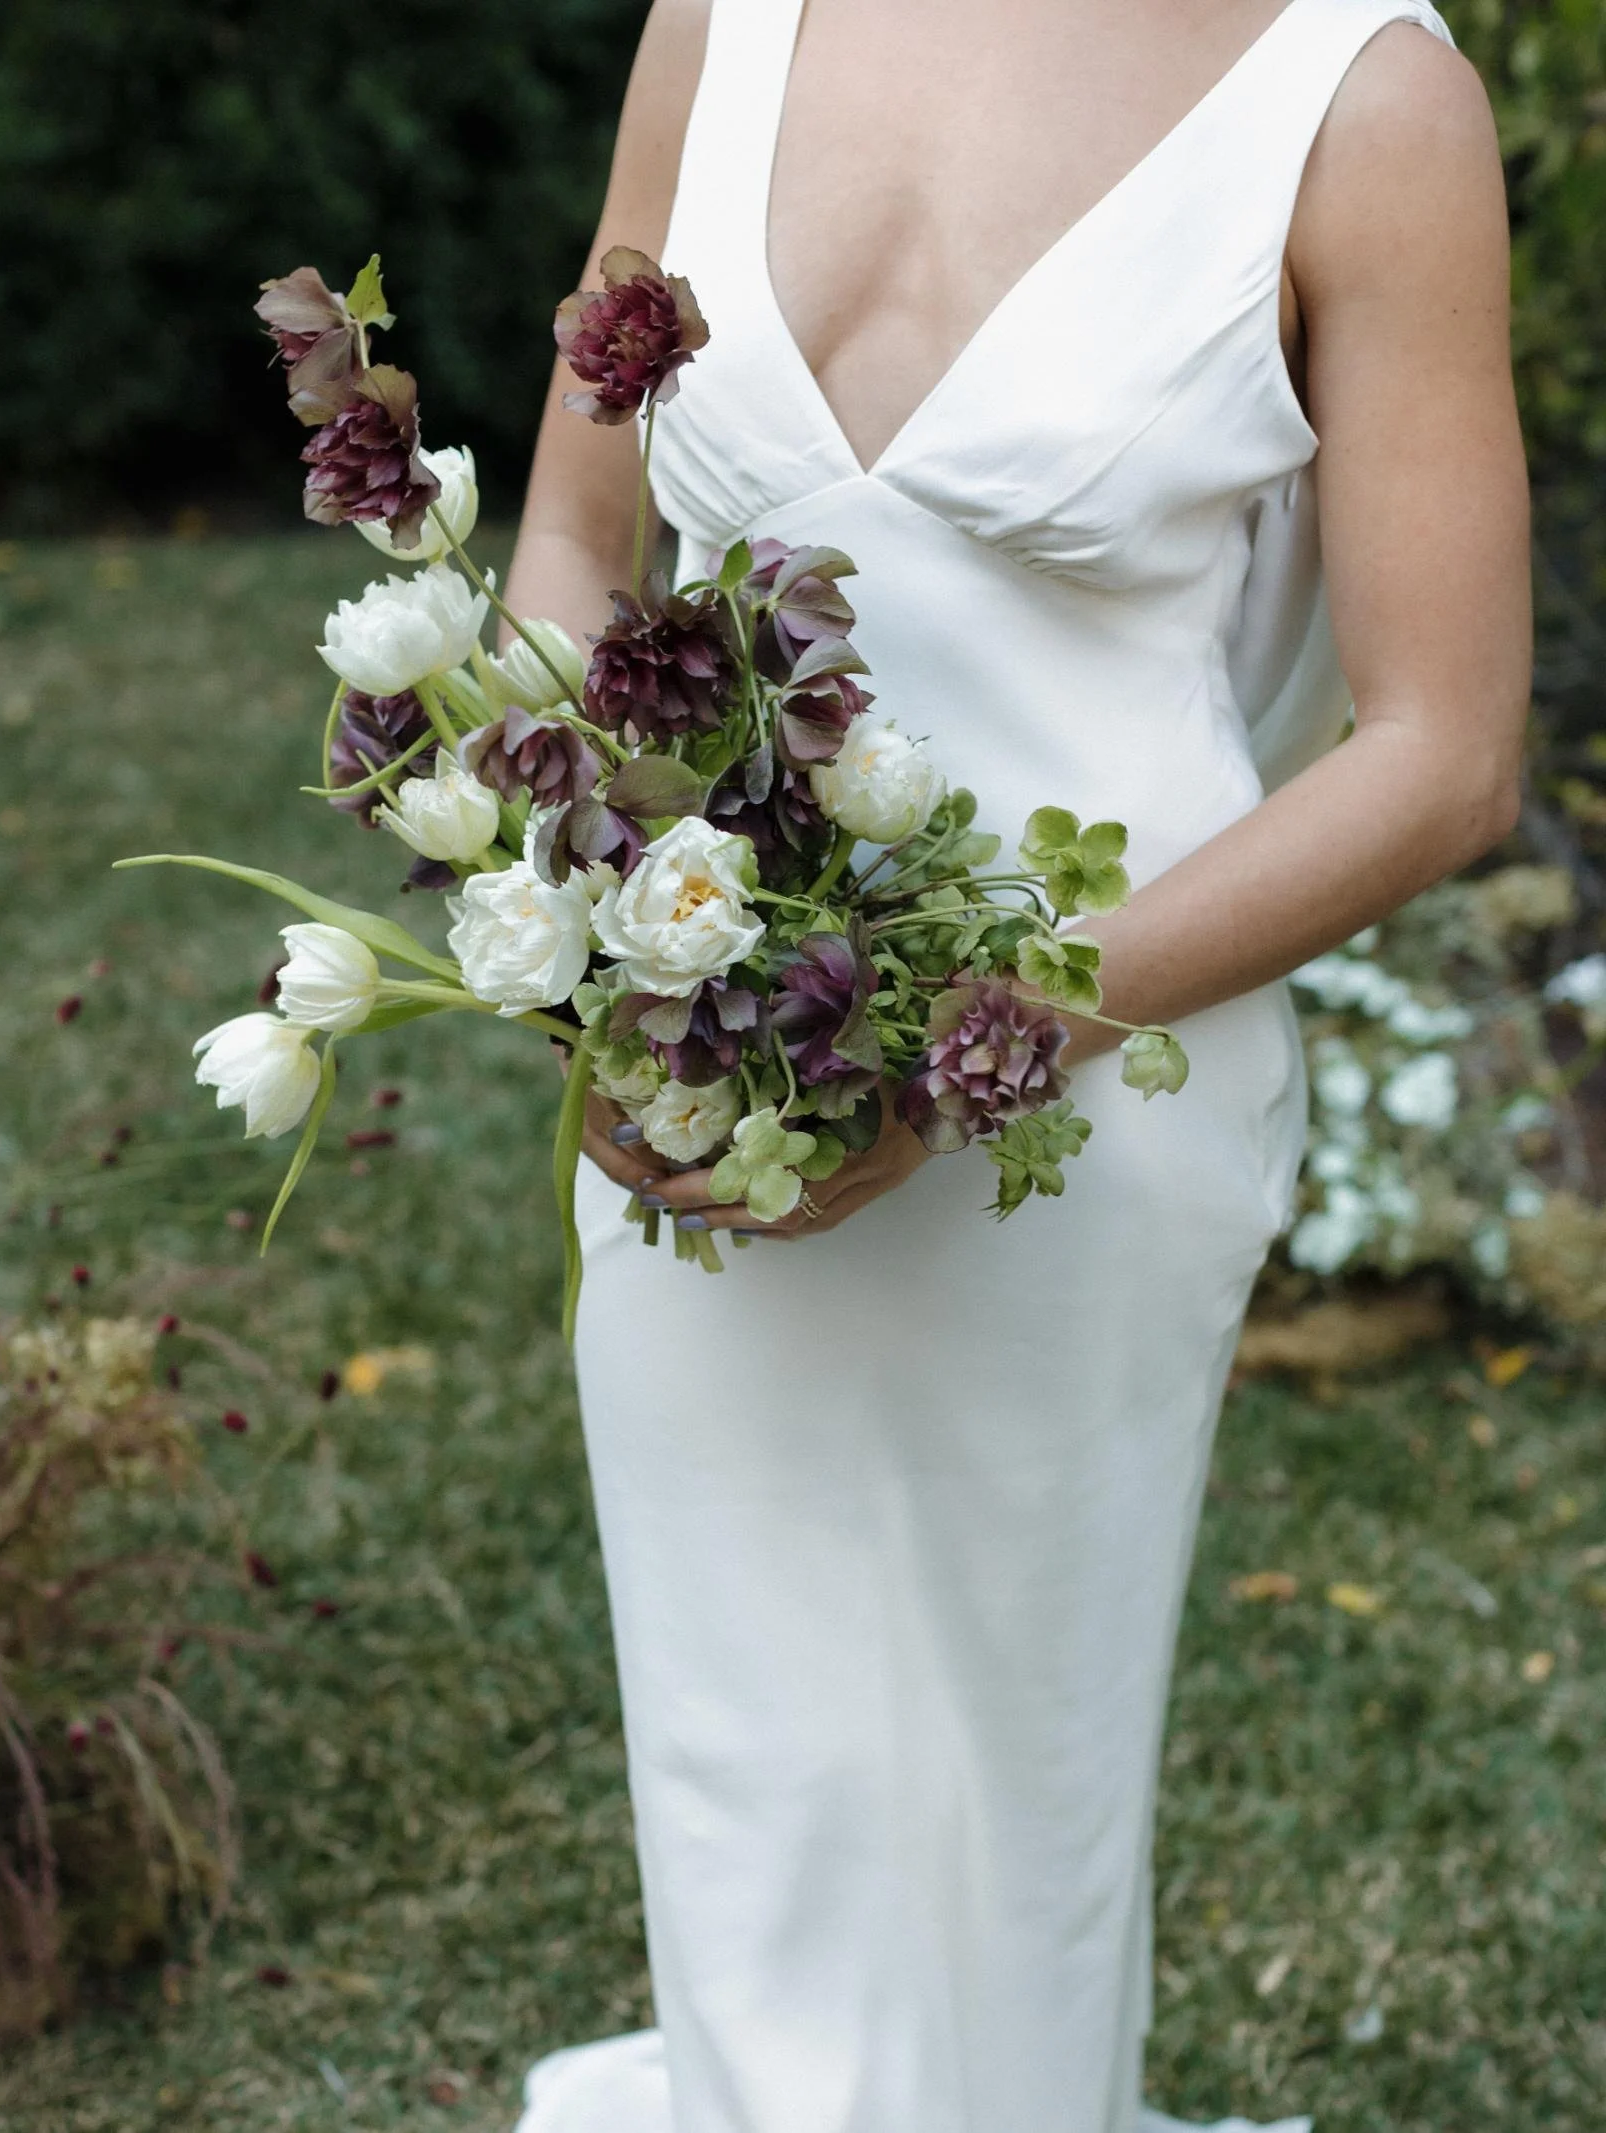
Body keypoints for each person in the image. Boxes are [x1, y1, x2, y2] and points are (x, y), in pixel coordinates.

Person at [501, 2, 1530, 2127]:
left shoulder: (1363, 97)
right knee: (746, 1769)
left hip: (1104, 1090)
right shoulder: (723, 18)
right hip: (708, 1064)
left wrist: (972, 1043)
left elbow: (1443, 753)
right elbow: (576, 548)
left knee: (1011, 1803)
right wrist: (597, 944)